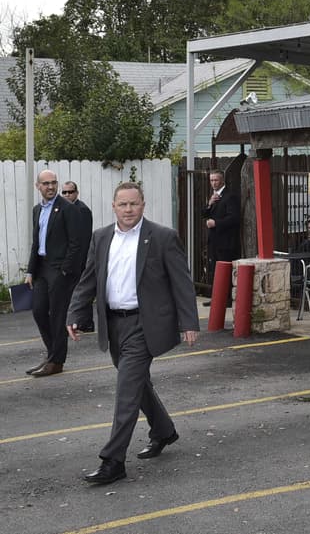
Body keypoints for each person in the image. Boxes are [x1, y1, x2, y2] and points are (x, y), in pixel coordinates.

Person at [66, 181, 199, 485]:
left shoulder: (163, 237)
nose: (128, 209)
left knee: (126, 390)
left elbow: (182, 281)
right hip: (113, 324)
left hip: (144, 324)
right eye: (123, 204)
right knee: (137, 384)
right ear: (114, 206)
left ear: (143, 205)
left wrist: (189, 322)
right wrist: (75, 313)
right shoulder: (101, 237)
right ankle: (163, 430)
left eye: (134, 203)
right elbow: (88, 280)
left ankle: (113, 461)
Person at [25, 169, 88, 378]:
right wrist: (30, 270)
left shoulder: (68, 209)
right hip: (42, 268)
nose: (51, 187)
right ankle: (52, 354)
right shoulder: (37, 210)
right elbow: (36, 242)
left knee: (58, 316)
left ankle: (56, 361)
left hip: (59, 270)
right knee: (38, 311)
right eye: (46, 183)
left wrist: (65, 270)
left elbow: (76, 243)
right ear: (38, 186)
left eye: (53, 182)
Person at [203, 169, 240, 305]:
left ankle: (226, 299)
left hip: (226, 241)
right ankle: (216, 299)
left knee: (225, 270)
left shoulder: (230, 196)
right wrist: (209, 203)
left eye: (216, 180)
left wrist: (216, 223)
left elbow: (234, 218)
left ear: (222, 180)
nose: (213, 183)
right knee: (214, 270)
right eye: (211, 180)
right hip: (214, 240)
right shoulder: (214, 196)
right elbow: (203, 214)